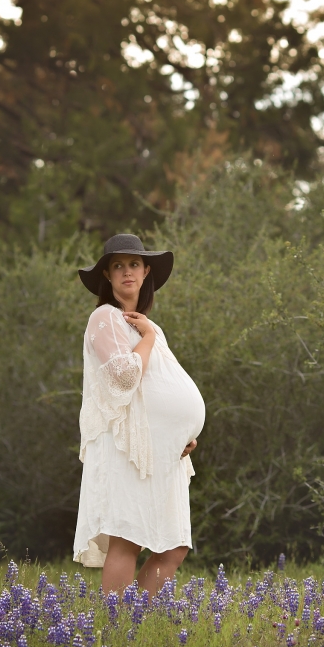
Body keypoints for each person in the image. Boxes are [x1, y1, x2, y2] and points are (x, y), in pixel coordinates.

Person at [73, 233, 205, 596]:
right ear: (108, 276)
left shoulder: (149, 326)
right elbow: (123, 378)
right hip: (127, 448)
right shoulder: (105, 317)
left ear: (146, 272)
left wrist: (185, 432)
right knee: (127, 539)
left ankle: (134, 621)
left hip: (164, 451)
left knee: (174, 546)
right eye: (117, 266)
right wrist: (145, 338)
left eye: (134, 264)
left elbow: (163, 385)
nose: (126, 272)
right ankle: (115, 628)